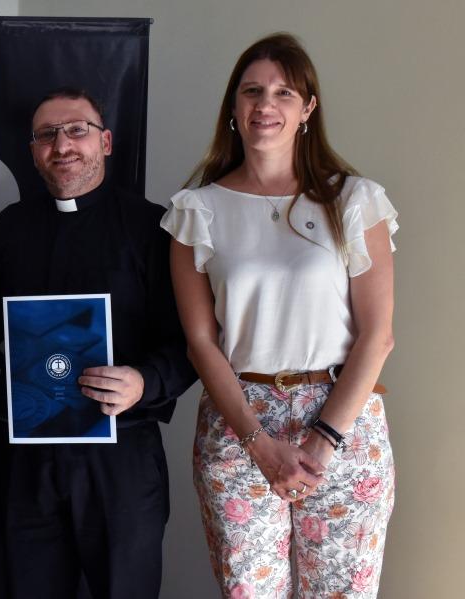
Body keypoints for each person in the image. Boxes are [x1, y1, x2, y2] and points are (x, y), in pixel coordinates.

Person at [162, 33, 397, 597]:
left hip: (343, 420)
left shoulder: (353, 201)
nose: (265, 104)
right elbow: (201, 343)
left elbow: (377, 336)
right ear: (234, 108)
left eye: (284, 92)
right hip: (241, 424)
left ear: (307, 109)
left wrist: (323, 438)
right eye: (252, 91)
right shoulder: (197, 210)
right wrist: (258, 443)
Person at [0, 87, 196, 598]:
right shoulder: (10, 229)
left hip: (121, 458)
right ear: (33, 151)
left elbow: (192, 342)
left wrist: (144, 381)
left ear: (106, 141)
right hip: (27, 459)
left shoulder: (152, 228)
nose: (62, 144)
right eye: (47, 134)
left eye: (77, 130)